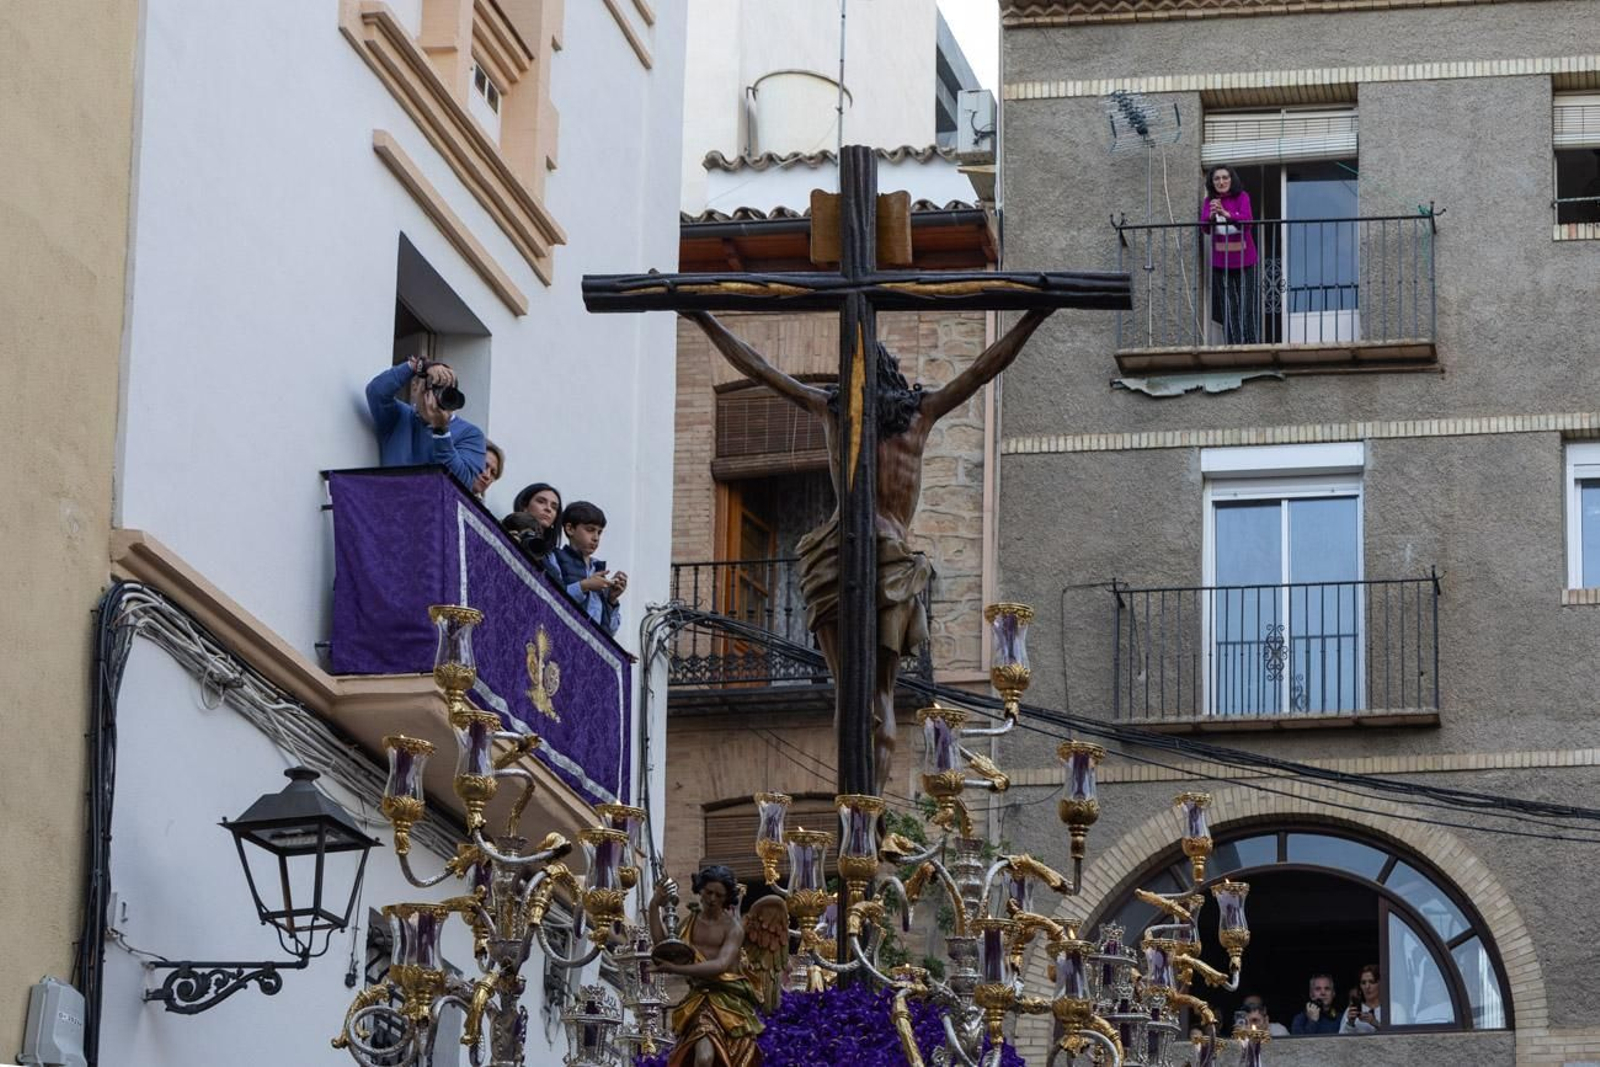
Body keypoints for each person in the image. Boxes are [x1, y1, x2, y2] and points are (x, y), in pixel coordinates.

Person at [680, 308, 1055, 794]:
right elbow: (985, 368)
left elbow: (757, 367)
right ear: (891, 373)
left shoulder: (832, 408)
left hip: (837, 558)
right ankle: (868, 807)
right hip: (890, 562)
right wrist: (1034, 317)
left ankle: (853, 804)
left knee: (848, 697)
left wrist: (704, 319)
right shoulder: (919, 412)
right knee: (879, 694)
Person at [649, 866, 764, 1067]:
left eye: (719, 895)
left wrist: (674, 969)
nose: (712, 899)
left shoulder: (733, 929)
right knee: (703, 1058)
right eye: (709, 892)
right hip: (701, 1001)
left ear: (727, 898)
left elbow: (720, 965)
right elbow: (665, 948)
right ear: (700, 890)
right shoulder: (689, 922)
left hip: (730, 1001)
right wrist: (653, 906)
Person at [364, 355, 485, 487]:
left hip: (433, 506)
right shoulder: (398, 416)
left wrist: (441, 431)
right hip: (391, 502)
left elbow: (462, 482)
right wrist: (417, 366)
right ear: (415, 387)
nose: (439, 394)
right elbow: (376, 392)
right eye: (435, 386)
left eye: (446, 389)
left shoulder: (471, 434)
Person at [1200, 165, 1258, 346]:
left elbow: (1247, 223)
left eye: (1225, 177)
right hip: (1221, 264)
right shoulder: (1209, 201)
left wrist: (1226, 213)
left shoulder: (1242, 197)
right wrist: (1210, 216)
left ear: (1231, 180)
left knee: (1246, 306)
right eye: (1217, 178)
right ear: (1212, 182)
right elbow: (1205, 229)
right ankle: (1233, 345)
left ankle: (1249, 345)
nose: (1221, 182)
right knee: (1229, 307)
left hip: (1245, 261)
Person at [551, 501, 626, 636]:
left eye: (599, 532)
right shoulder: (555, 558)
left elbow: (610, 631)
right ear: (570, 529)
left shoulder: (597, 569)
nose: (596, 538)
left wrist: (612, 600)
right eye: (590, 529)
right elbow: (551, 599)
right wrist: (584, 586)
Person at [1340, 964, 1383, 1034]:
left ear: (1380, 983)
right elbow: (1339, 1040)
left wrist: (1376, 1024)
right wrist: (1350, 1023)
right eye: (1363, 983)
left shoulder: (1394, 1009)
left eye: (1371, 982)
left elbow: (1399, 1037)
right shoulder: (1352, 1010)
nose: (1367, 986)